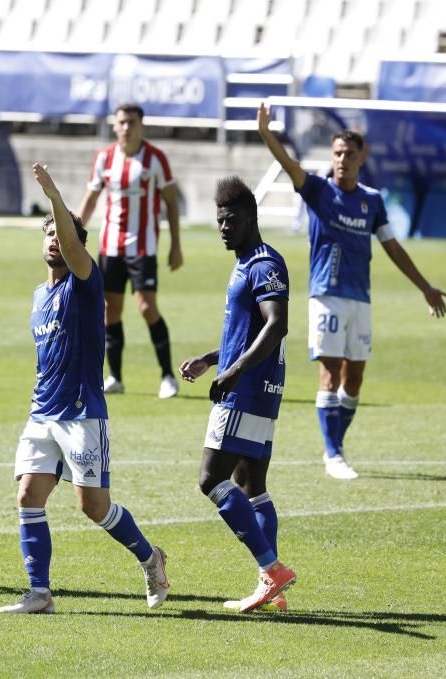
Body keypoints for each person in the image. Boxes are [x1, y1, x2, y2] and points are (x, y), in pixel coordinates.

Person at [0, 164, 169, 615]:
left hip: (81, 412)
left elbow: (73, 247)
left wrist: (54, 194)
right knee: (27, 496)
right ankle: (40, 593)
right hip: (42, 413)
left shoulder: (86, 281)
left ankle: (151, 558)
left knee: (93, 507)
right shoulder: (39, 296)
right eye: (48, 232)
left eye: (64, 232)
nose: (55, 238)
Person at [257, 103, 446, 480]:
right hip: (325, 295)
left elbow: (393, 247)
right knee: (329, 374)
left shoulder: (372, 201)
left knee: (354, 378)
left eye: (349, 153)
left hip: (360, 299)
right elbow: (289, 164)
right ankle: (333, 454)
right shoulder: (317, 190)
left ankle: (336, 444)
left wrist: (425, 287)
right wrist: (266, 133)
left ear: (362, 157)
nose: (342, 159)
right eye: (338, 153)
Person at [179, 175, 296, 613]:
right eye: (219, 220)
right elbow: (246, 331)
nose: (222, 228)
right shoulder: (249, 261)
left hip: (245, 392)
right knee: (253, 486)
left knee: (211, 479)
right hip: (259, 388)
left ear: (251, 218)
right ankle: (273, 586)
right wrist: (213, 359)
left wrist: (234, 370)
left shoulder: (263, 264)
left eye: (230, 220)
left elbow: (276, 322)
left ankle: (272, 569)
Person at [78, 103, 183, 399]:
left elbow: (172, 203)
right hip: (110, 246)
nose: (127, 127)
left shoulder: (155, 159)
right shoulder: (104, 158)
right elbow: (90, 199)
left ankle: (167, 375)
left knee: (147, 307)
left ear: (142, 125)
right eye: (122, 122)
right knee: (110, 312)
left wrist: (176, 245)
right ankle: (116, 377)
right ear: (114, 125)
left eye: (132, 122)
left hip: (143, 245)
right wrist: (70, 233)